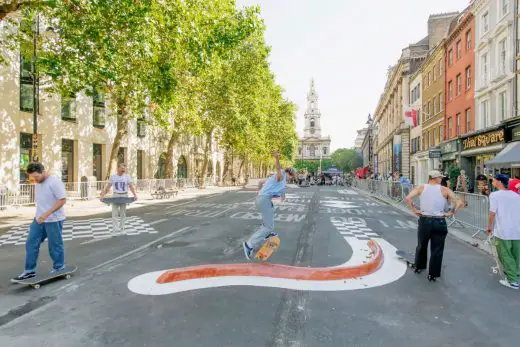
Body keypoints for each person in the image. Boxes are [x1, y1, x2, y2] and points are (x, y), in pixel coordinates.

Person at [12, 163, 68, 281]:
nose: (34, 179)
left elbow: (62, 200)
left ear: (43, 171)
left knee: (54, 245)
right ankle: (29, 271)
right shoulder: (38, 183)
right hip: (39, 219)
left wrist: (47, 213)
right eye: (32, 177)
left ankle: (59, 267)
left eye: (36, 177)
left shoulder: (54, 182)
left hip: (54, 219)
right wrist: (40, 215)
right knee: (31, 243)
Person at [404, 170, 464, 281]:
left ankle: (419, 266)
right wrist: (451, 212)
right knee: (437, 249)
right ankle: (433, 274)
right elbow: (459, 203)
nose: (441, 179)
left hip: (425, 220)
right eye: (440, 177)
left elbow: (407, 198)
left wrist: (414, 210)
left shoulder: (421, 187)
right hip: (440, 221)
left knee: (421, 245)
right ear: (435, 178)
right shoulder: (444, 189)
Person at [243, 152, 296, 260]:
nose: (292, 179)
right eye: (292, 177)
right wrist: (276, 158)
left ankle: (268, 233)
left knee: (270, 216)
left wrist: (261, 192)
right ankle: (249, 245)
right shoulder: (281, 175)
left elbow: (261, 182)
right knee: (268, 226)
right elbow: (278, 170)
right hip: (263, 200)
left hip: (262, 200)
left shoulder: (280, 180)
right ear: (289, 174)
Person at [486, 174, 520, 290]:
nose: (493, 182)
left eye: (494, 181)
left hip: (503, 231)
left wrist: (489, 227)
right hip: (517, 230)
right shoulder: (516, 195)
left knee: (505, 255)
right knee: (517, 255)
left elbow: (492, 213)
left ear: (499, 182)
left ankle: (512, 280)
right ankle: (516, 276)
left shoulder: (495, 195)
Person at [100, 163, 138, 233]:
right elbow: (108, 187)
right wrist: (102, 195)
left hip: (124, 196)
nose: (123, 170)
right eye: (122, 168)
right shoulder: (113, 177)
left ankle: (122, 228)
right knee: (114, 213)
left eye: (124, 169)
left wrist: (135, 194)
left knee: (123, 213)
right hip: (116, 195)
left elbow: (131, 186)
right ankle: (115, 228)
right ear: (118, 169)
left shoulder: (127, 176)